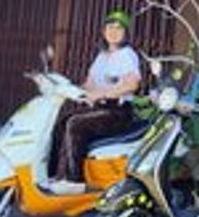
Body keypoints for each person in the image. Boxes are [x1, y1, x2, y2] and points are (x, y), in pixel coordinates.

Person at [50, 10, 142, 191]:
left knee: (76, 124)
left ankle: (74, 181)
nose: (113, 31)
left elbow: (132, 85)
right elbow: (89, 84)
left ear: (126, 33)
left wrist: (102, 94)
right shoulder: (102, 56)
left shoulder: (127, 54)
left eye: (119, 28)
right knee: (63, 121)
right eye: (110, 27)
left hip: (118, 112)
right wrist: (69, 89)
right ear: (103, 30)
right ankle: (54, 175)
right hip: (100, 109)